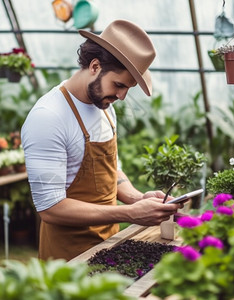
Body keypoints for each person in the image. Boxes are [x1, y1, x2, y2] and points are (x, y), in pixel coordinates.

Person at [21, 19, 183, 261]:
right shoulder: (49, 117)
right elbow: (50, 209)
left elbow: (111, 172)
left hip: (109, 244)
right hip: (68, 255)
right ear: (95, 66)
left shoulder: (105, 107)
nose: (122, 95)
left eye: (128, 88)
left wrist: (138, 198)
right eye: (119, 84)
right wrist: (130, 213)